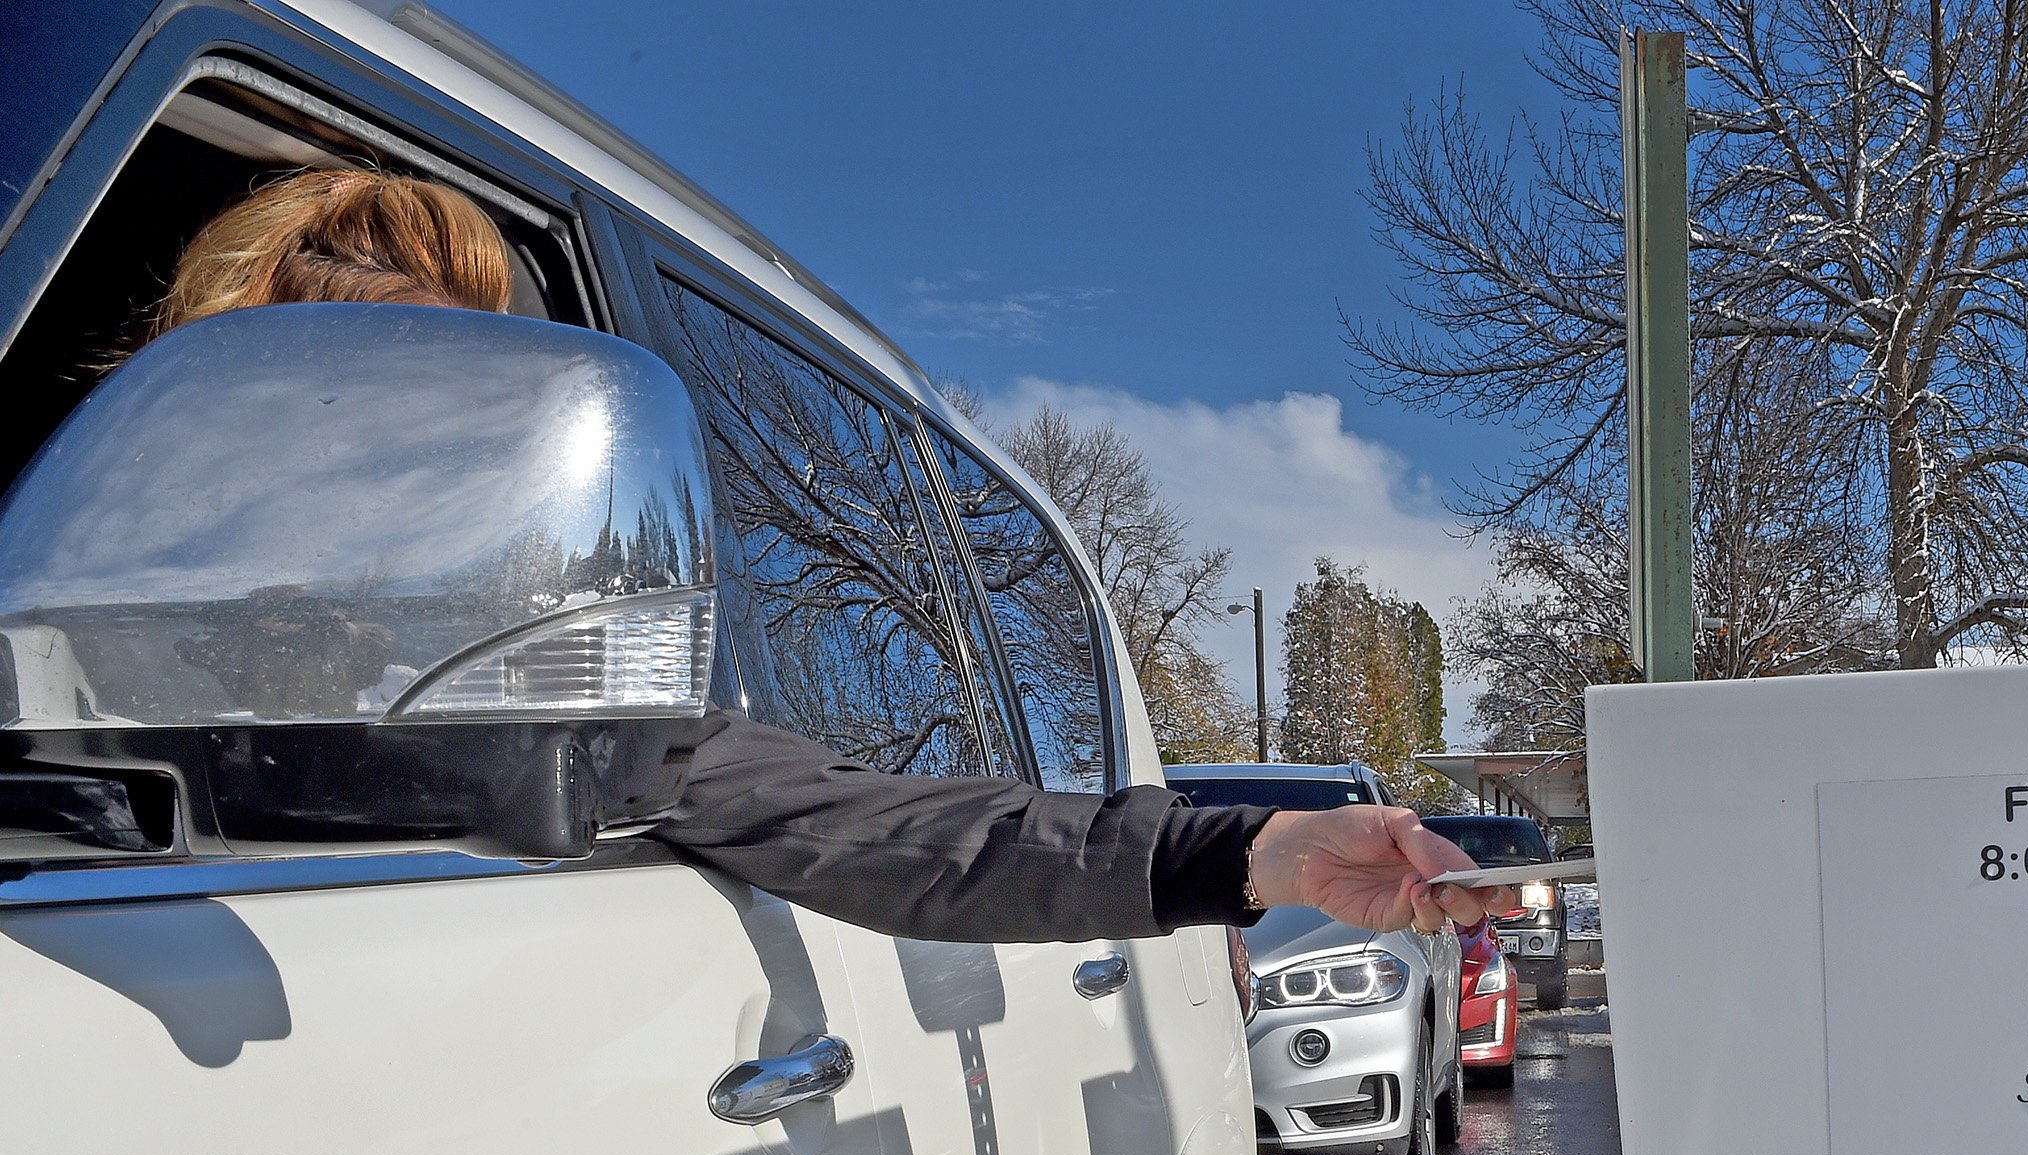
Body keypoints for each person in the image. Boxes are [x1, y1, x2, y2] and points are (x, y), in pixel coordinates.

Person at [145, 169, 1486, 943]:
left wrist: (1268, 852)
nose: (429, 463)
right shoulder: (88, 643)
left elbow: (903, 832)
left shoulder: (544, 693)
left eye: (472, 417)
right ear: (199, 422)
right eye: (357, 401)